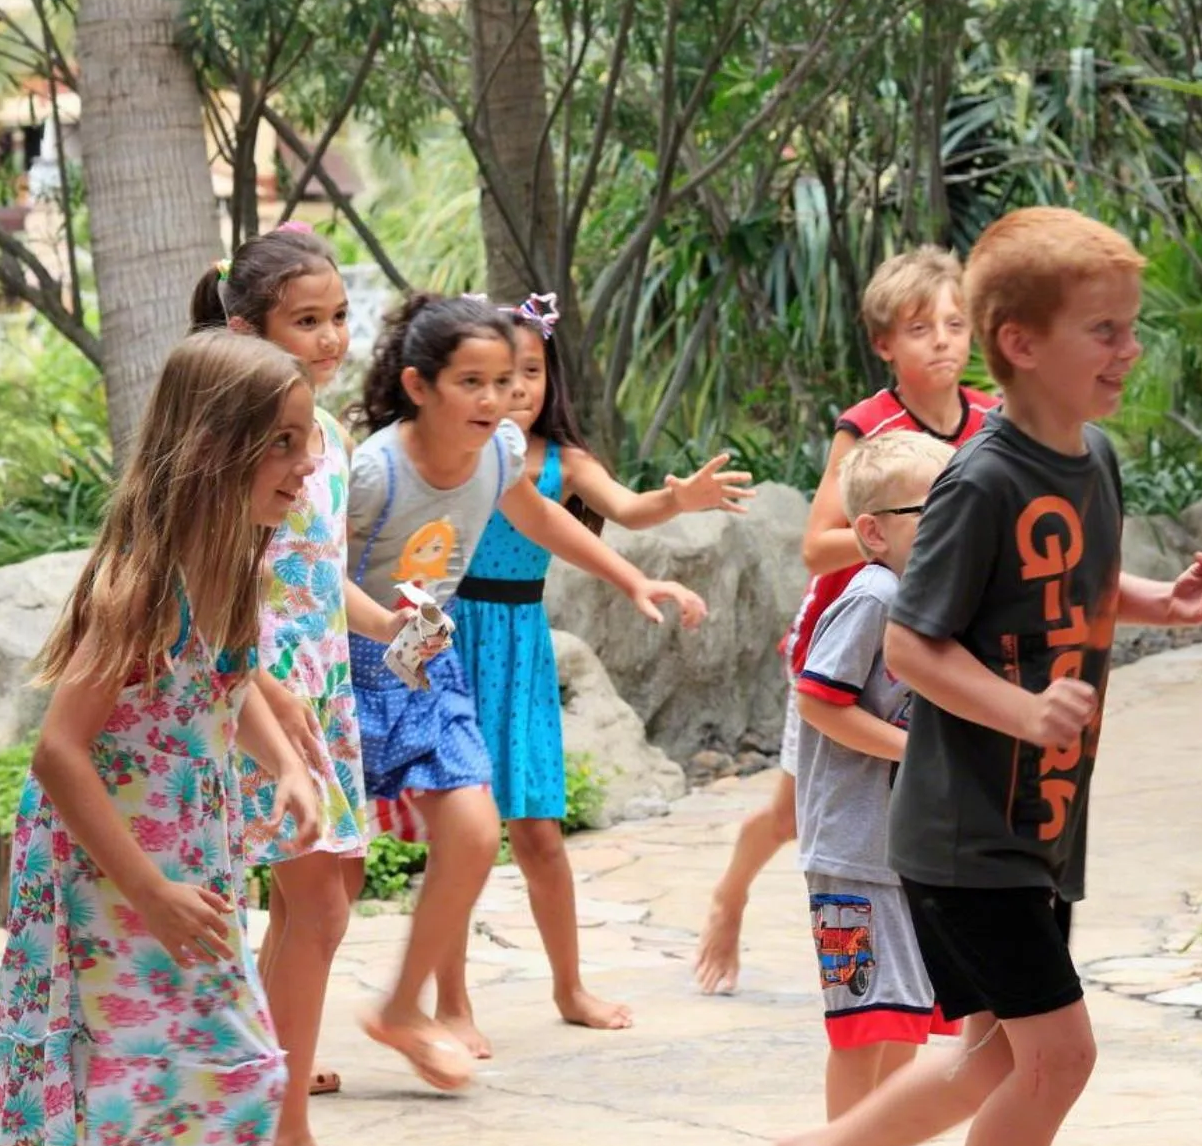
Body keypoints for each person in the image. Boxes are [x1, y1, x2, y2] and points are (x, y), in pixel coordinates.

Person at [772, 208, 1202, 1146]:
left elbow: (1072, 585)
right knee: (1056, 1055)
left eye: (1129, 327)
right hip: (959, 825)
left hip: (1039, 818)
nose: (1128, 350)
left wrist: (1160, 602)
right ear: (1021, 343)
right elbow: (913, 645)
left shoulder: (1092, 458)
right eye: (1104, 331)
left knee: (992, 1056)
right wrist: (1025, 712)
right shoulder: (979, 479)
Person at [0, 333, 325, 1146]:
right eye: (283, 442)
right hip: (102, 886)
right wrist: (150, 889)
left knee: (238, 1089)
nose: (306, 462)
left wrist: (283, 762)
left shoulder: (234, 565)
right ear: (215, 448)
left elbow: (226, 687)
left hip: (184, 882)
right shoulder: (140, 586)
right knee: (40, 1123)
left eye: (306, 439)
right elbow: (59, 753)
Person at [346, 293, 706, 1091]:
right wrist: (377, 626)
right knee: (327, 875)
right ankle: (289, 1043)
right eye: (471, 381)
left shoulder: (503, 452)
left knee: (475, 831)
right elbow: (304, 569)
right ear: (419, 385)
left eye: (505, 379)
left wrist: (631, 575)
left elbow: (542, 517)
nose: (495, 398)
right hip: (350, 669)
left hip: (424, 665)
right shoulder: (373, 471)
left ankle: (404, 1004)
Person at [429, 293, 751, 1051]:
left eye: (530, 371)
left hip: (518, 641)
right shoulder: (456, 451)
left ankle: (568, 984)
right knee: (457, 834)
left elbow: (627, 507)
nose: (516, 389)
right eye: (499, 374)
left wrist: (677, 498)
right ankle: (449, 998)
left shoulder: (561, 462)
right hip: (448, 639)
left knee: (537, 830)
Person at [696, 246, 999, 995]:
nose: (942, 340)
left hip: (934, 641)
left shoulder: (989, 419)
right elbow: (816, 542)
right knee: (800, 811)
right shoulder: (867, 424)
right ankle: (728, 895)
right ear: (883, 343)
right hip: (848, 643)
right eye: (920, 326)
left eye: (955, 324)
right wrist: (923, 537)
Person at [195, 222, 409, 1146]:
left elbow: (316, 581)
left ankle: (269, 1103)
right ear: (245, 327)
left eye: (337, 318)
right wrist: (270, 708)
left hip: (320, 692)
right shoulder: (237, 442)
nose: (329, 339)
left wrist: (395, 624)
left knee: (318, 893)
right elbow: (221, 585)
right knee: (311, 895)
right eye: (305, 320)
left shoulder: (328, 437)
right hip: (258, 697)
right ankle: (279, 1139)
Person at [792, 430, 961, 1146]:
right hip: (852, 851)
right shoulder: (869, 596)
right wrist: (914, 751)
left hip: (905, 849)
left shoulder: (927, 598)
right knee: (863, 1023)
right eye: (934, 512)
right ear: (874, 530)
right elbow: (818, 700)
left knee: (902, 1018)